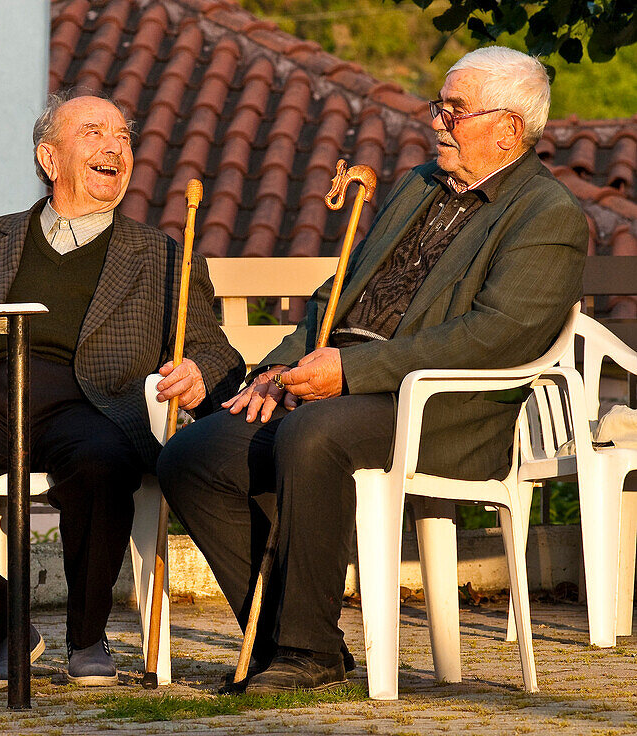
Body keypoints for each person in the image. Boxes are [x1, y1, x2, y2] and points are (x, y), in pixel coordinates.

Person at [158, 46, 588, 693]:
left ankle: (304, 653)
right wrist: (279, 369)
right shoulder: (418, 185)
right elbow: (342, 288)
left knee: (315, 433)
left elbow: (493, 336)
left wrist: (352, 371)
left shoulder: (547, 214)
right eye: (439, 106)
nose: (436, 122)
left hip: (441, 409)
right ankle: (293, 636)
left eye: (455, 110)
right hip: (343, 382)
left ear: (509, 128)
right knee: (193, 455)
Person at [0, 90, 244, 685]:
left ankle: (87, 638)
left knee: (102, 464)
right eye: (94, 133)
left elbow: (213, 348)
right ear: (49, 160)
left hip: (95, 401)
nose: (115, 147)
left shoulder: (163, 256)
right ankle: (4, 625)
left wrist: (200, 371)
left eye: (124, 136)